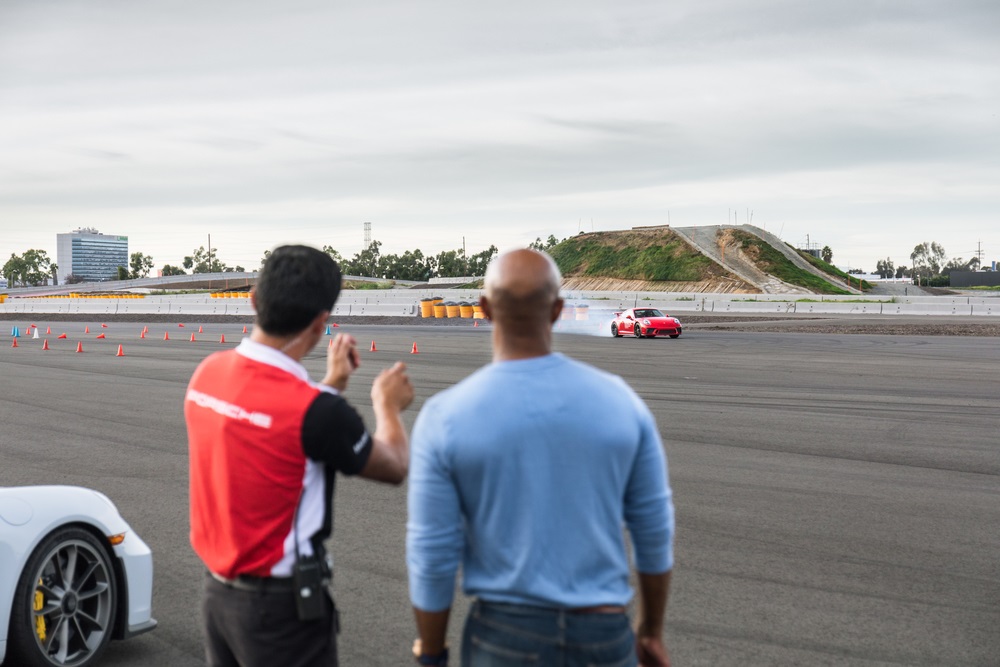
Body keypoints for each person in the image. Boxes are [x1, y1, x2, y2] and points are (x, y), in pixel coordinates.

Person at [406, 248, 675, 667]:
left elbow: (432, 551)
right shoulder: (621, 400)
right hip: (603, 634)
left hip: (504, 635)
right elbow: (654, 529)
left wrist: (432, 653)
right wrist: (651, 631)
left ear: (484, 309)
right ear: (557, 311)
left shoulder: (445, 416)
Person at [185, 244, 413, 667]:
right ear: (321, 322)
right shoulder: (318, 412)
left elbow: (274, 420)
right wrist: (386, 405)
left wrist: (330, 384)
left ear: (253, 298)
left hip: (218, 598)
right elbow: (395, 465)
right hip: (280, 612)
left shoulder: (207, 374)